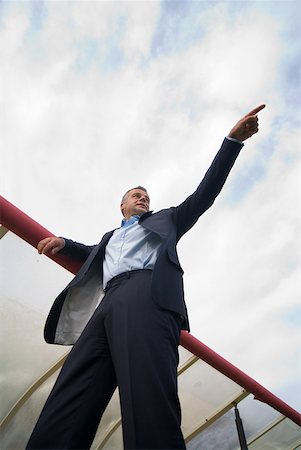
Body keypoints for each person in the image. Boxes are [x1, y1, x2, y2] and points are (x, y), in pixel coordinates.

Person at [26, 105, 265, 450]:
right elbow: (91, 251)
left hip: (146, 294)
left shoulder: (168, 219)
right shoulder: (111, 237)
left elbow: (205, 193)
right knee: (72, 391)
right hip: (108, 302)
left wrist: (232, 142)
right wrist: (63, 242)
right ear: (121, 206)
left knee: (146, 396)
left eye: (146, 197)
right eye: (136, 196)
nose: (143, 198)